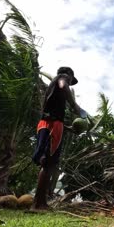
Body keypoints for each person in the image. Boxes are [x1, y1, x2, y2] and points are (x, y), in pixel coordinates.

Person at [31, 66, 83, 210]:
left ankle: (40, 201)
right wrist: (74, 105)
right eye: (71, 80)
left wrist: (68, 128)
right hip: (52, 125)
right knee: (48, 163)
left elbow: (51, 114)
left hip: (47, 124)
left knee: (47, 161)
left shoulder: (52, 89)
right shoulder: (62, 78)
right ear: (69, 76)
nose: (69, 82)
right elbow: (63, 84)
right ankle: (39, 203)